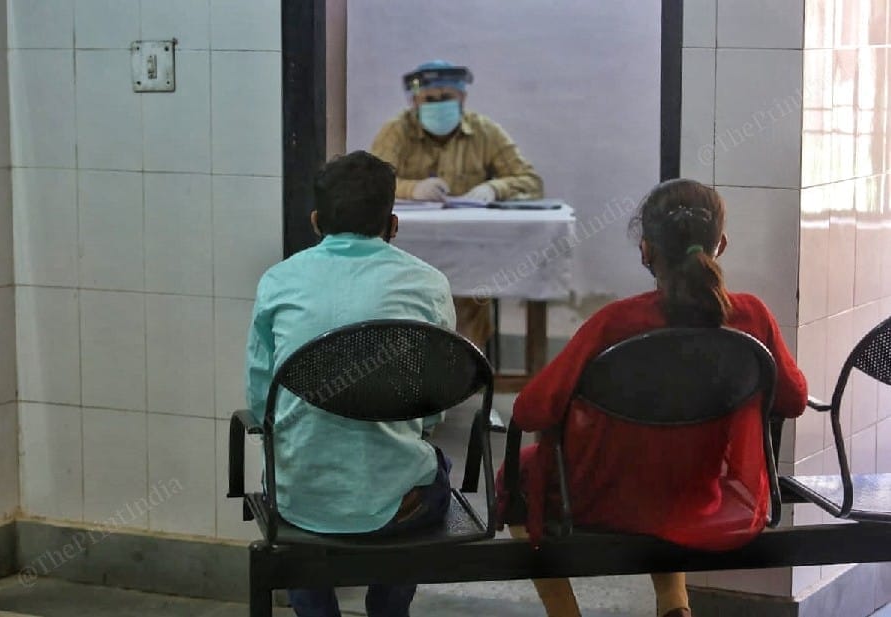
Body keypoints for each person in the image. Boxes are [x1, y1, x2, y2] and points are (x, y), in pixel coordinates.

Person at [495, 179, 808, 617]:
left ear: (645, 250)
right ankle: (673, 605)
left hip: (603, 497)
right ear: (721, 244)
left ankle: (565, 614)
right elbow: (793, 401)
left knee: (517, 472)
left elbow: (532, 410)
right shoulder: (751, 316)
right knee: (671, 469)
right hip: (699, 493)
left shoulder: (613, 323)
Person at [245, 150, 456, 617]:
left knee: (296, 510)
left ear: (317, 221)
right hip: (401, 503)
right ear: (393, 224)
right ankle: (388, 610)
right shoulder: (428, 284)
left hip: (297, 497)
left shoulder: (278, 281)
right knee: (432, 466)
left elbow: (261, 403)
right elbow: (435, 405)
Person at [371, 59, 543, 349]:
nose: (438, 105)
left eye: (446, 97)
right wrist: (413, 189)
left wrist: (495, 188)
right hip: (408, 249)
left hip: (470, 251)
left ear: (462, 97)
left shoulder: (485, 131)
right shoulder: (396, 131)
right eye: (430, 99)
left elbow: (530, 180)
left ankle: (465, 365)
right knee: (403, 297)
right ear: (414, 101)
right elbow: (373, 181)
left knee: (474, 289)